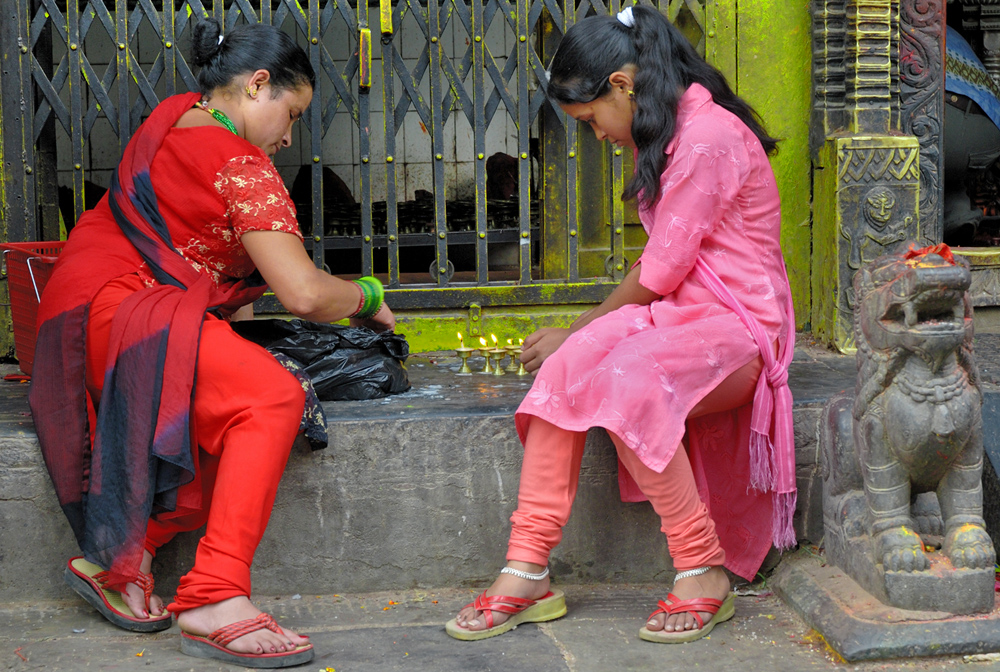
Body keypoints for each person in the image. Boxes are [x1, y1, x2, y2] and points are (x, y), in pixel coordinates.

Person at [30, 19, 394, 668]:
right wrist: (366, 297)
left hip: (75, 311)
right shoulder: (240, 164)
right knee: (271, 398)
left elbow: (204, 257)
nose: (287, 138)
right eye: (292, 113)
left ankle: (117, 559)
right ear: (258, 85)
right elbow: (303, 293)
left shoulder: (172, 120)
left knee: (223, 403)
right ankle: (215, 596)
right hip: (126, 311)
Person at [446, 5, 795, 644]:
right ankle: (526, 569)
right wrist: (575, 343)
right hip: (676, 321)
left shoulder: (707, 135)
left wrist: (580, 328)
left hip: (739, 331)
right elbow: (664, 276)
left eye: (588, 120)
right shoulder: (671, 128)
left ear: (622, 85)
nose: (596, 135)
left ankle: (701, 569)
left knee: (629, 375)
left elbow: (660, 271)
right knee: (567, 368)